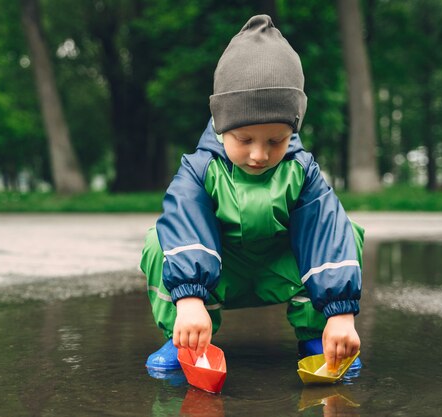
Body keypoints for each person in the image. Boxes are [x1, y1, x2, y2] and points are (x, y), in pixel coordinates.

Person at [140, 14, 364, 378]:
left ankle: (319, 335)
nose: (259, 154)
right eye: (245, 140)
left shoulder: (301, 170)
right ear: (221, 124)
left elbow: (327, 234)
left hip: (279, 270)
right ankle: (187, 339)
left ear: (292, 130)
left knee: (346, 230)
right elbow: (185, 226)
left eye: (275, 140)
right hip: (221, 272)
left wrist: (341, 312)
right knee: (159, 241)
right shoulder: (200, 169)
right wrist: (190, 298)